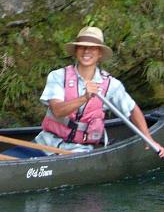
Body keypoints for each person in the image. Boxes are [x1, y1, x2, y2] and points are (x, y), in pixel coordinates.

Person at [35, 26, 164, 157]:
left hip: (81, 151)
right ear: (75, 51)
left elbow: (132, 110)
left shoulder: (111, 85)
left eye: (92, 48)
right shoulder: (58, 76)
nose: (86, 51)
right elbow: (57, 110)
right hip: (44, 144)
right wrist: (84, 97)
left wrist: (149, 139)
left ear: (100, 53)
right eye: (82, 47)